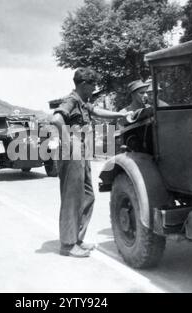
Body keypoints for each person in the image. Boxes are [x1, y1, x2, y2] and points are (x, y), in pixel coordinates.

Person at [51, 67, 132, 258]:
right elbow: (56, 119)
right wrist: (68, 141)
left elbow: (97, 111)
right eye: (92, 85)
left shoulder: (82, 102)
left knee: (87, 196)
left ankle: (76, 239)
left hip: (82, 151)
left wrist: (120, 115)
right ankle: (68, 245)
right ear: (83, 84)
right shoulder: (71, 100)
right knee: (72, 198)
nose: (94, 88)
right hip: (73, 151)